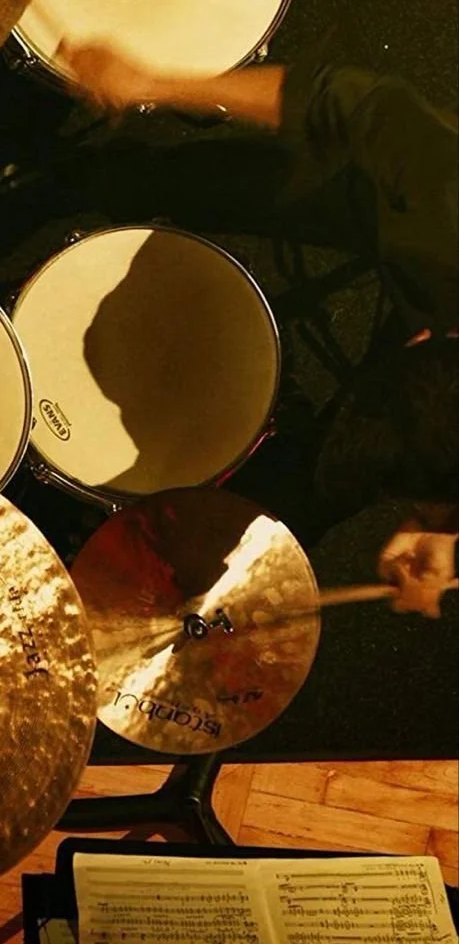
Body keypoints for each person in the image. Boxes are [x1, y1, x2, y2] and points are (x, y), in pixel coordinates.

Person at [58, 40, 459, 618]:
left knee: (321, 486)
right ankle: (84, 177)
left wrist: (440, 530)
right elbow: (332, 98)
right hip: (407, 213)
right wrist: (152, 85)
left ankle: (174, 557)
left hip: (437, 297)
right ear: (422, 340)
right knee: (204, 182)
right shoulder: (444, 187)